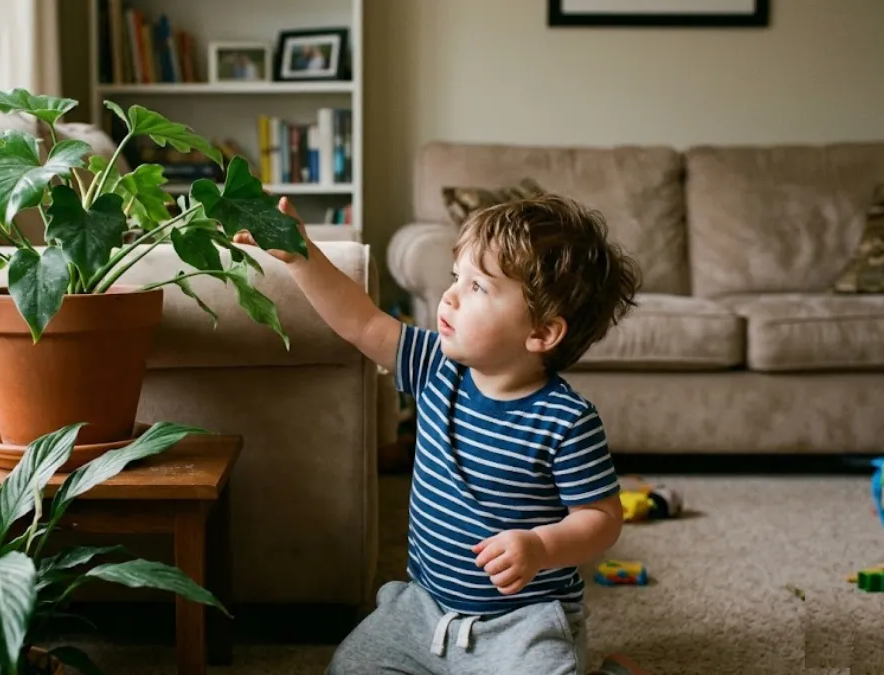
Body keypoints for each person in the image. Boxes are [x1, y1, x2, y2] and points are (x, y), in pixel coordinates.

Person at [233, 193, 641, 674]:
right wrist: (302, 256)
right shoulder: (434, 366)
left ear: (542, 333)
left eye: (478, 288)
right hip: (425, 608)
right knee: (349, 669)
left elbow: (602, 518)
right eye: (456, 279)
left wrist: (541, 547)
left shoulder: (566, 420)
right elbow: (361, 322)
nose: (450, 296)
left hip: (521, 622)